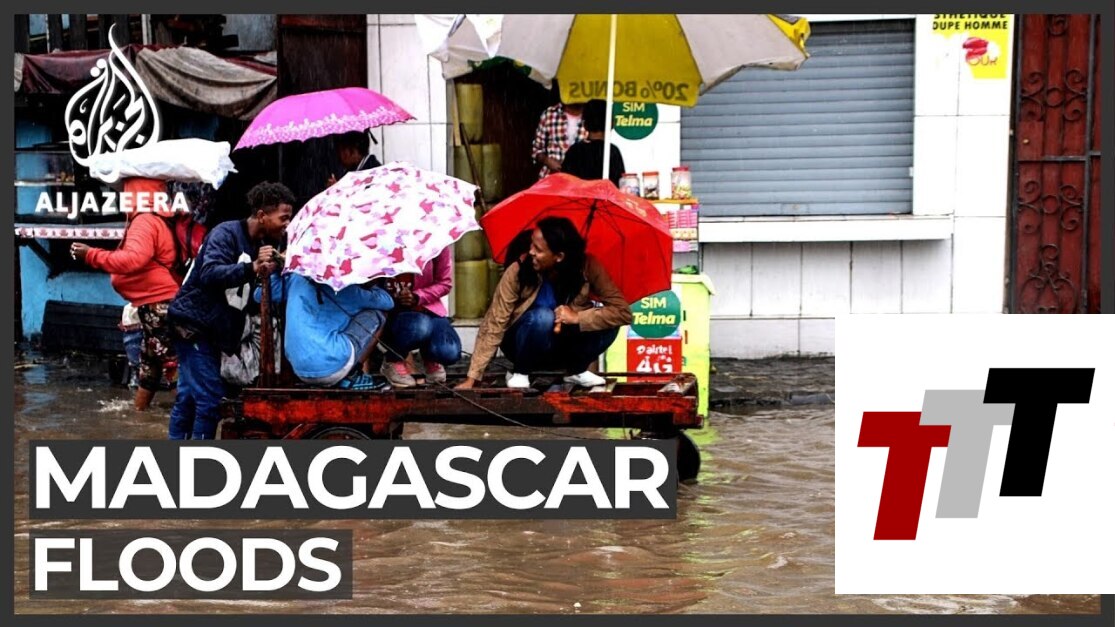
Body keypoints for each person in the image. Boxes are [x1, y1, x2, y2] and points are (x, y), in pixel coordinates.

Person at [166, 182, 293, 440]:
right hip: (193, 325)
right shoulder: (225, 234)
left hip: (215, 332)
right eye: (283, 218)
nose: (287, 224)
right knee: (211, 400)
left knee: (188, 397)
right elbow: (209, 273)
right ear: (262, 215)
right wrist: (252, 267)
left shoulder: (263, 243)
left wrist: (277, 264)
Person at [455, 217, 632, 390]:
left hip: (563, 344)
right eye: (531, 244)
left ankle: (576, 370)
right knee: (543, 317)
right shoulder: (519, 269)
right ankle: (521, 373)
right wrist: (473, 377)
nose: (531, 252)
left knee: (609, 323)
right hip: (522, 343)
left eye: (538, 249)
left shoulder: (588, 266)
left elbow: (622, 312)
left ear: (559, 256)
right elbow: (495, 322)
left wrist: (578, 317)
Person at [70, 177, 180, 411]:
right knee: (150, 365)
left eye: (127, 192)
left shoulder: (145, 221)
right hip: (157, 303)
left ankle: (187, 420)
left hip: (158, 303)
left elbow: (133, 260)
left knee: (172, 364)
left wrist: (91, 255)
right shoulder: (158, 217)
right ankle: (140, 416)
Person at [260, 272, 394, 388]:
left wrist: (275, 272)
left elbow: (259, 294)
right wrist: (372, 282)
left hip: (299, 369)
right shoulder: (348, 288)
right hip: (333, 366)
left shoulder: (296, 278)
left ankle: (345, 373)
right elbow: (388, 302)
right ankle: (352, 375)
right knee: (379, 313)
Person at [378, 246, 462, 387]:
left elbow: (445, 283)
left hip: (429, 309)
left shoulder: (436, 242)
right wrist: (394, 298)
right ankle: (392, 360)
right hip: (394, 317)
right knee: (420, 326)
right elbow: (372, 287)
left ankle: (430, 358)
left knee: (449, 351)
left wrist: (418, 297)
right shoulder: (381, 242)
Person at [560, 99, 626, 188]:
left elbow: (565, 183)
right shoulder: (612, 151)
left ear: (585, 124)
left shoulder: (574, 151)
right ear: (611, 124)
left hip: (580, 196)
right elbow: (620, 184)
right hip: (605, 196)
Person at [531, 96, 587, 179]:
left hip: (581, 180)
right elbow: (536, 149)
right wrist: (547, 160)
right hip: (551, 178)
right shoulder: (550, 113)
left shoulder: (592, 114)